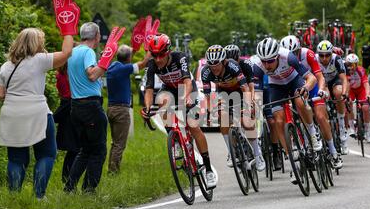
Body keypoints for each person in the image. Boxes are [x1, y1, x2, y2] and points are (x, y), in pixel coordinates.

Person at [0, 28, 74, 199]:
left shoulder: (6, 66)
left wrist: (17, 97)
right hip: (37, 113)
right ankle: (39, 196)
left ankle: (14, 197)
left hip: (11, 114)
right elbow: (67, 53)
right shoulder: (40, 60)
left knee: (16, 158)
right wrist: (68, 29)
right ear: (36, 43)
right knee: (46, 153)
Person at [141, 34, 217, 189]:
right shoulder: (152, 65)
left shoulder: (179, 58)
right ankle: (175, 139)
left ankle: (208, 169)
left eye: (161, 55)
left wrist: (186, 97)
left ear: (168, 51)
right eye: (154, 55)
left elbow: (188, 81)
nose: (158, 59)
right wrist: (148, 108)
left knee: (193, 126)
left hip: (186, 88)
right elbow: (149, 90)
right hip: (169, 89)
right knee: (161, 102)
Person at [65, 22, 125, 193]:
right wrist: (105, 61)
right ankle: (89, 190)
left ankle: (69, 187)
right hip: (90, 106)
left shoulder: (73, 52)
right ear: (97, 36)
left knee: (85, 150)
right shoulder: (88, 52)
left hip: (75, 105)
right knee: (98, 150)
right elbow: (92, 74)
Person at [251, 38, 320, 184]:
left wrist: (306, 88)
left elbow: (311, 78)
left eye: (270, 61)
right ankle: (293, 165)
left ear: (277, 56)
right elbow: (256, 93)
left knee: (300, 102)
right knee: (278, 120)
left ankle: (312, 133)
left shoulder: (288, 57)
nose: (266, 65)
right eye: (264, 61)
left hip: (294, 80)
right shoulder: (258, 66)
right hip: (276, 86)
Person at [281, 35, 343, 169]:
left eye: (295, 52)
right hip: (297, 88)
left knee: (321, 117)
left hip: (313, 85)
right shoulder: (282, 60)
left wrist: (321, 89)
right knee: (296, 118)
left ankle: (333, 152)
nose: (293, 56)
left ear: (300, 50)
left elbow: (319, 76)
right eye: (290, 54)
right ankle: (305, 146)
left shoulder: (307, 54)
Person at [201, 45, 266, 172]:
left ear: (224, 61)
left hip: (240, 91)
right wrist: (209, 112)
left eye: (217, 65)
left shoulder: (233, 66)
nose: (214, 69)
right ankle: (231, 152)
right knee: (223, 118)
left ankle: (258, 156)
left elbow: (246, 88)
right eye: (211, 66)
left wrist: (248, 106)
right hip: (223, 93)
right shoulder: (206, 72)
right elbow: (208, 97)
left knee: (246, 122)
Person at [106, 45, 150, 174]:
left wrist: (132, 49)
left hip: (111, 108)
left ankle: (112, 168)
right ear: (128, 58)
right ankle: (113, 171)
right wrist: (148, 50)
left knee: (115, 142)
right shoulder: (124, 69)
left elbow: (128, 58)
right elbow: (143, 64)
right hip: (121, 111)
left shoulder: (114, 66)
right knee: (120, 144)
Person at [316, 40, 350, 155]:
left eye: (327, 55)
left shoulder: (336, 59)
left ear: (332, 53)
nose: (324, 58)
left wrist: (345, 93)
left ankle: (341, 126)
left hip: (335, 81)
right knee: (324, 95)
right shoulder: (315, 60)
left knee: (339, 92)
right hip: (323, 83)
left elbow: (344, 79)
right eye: (321, 55)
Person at [53, 62, 80, 184]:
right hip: (73, 107)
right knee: (76, 148)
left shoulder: (59, 74)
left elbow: (59, 92)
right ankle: (69, 177)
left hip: (64, 107)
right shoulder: (74, 73)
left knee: (72, 148)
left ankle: (67, 177)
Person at [344, 54, 370, 142]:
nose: (351, 67)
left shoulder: (361, 70)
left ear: (357, 64)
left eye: (353, 65)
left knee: (365, 107)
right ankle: (352, 127)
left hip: (361, 90)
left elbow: (366, 83)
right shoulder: (344, 71)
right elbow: (345, 85)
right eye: (349, 64)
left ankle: (367, 130)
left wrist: (368, 94)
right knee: (348, 104)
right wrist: (346, 95)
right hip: (351, 90)